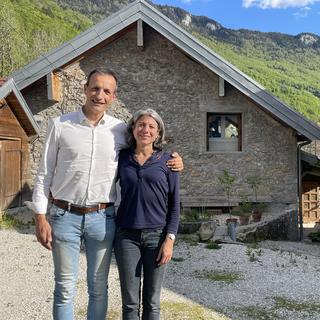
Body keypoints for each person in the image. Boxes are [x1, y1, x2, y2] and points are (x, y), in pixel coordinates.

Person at [26, 69, 183, 320]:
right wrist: (40, 216)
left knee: (99, 288)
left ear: (113, 96)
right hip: (64, 216)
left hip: (102, 218)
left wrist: (174, 160)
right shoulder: (60, 125)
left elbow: (146, 148)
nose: (100, 95)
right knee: (65, 288)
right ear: (85, 88)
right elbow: (44, 173)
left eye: (107, 91)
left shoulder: (118, 130)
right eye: (95, 88)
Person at [114, 108, 180, 320]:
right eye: (141, 124)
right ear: (133, 128)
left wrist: (169, 240)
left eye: (152, 126)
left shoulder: (169, 161)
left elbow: (175, 205)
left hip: (157, 236)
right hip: (126, 236)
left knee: (152, 302)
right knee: (130, 303)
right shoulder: (121, 157)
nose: (146, 129)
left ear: (158, 133)